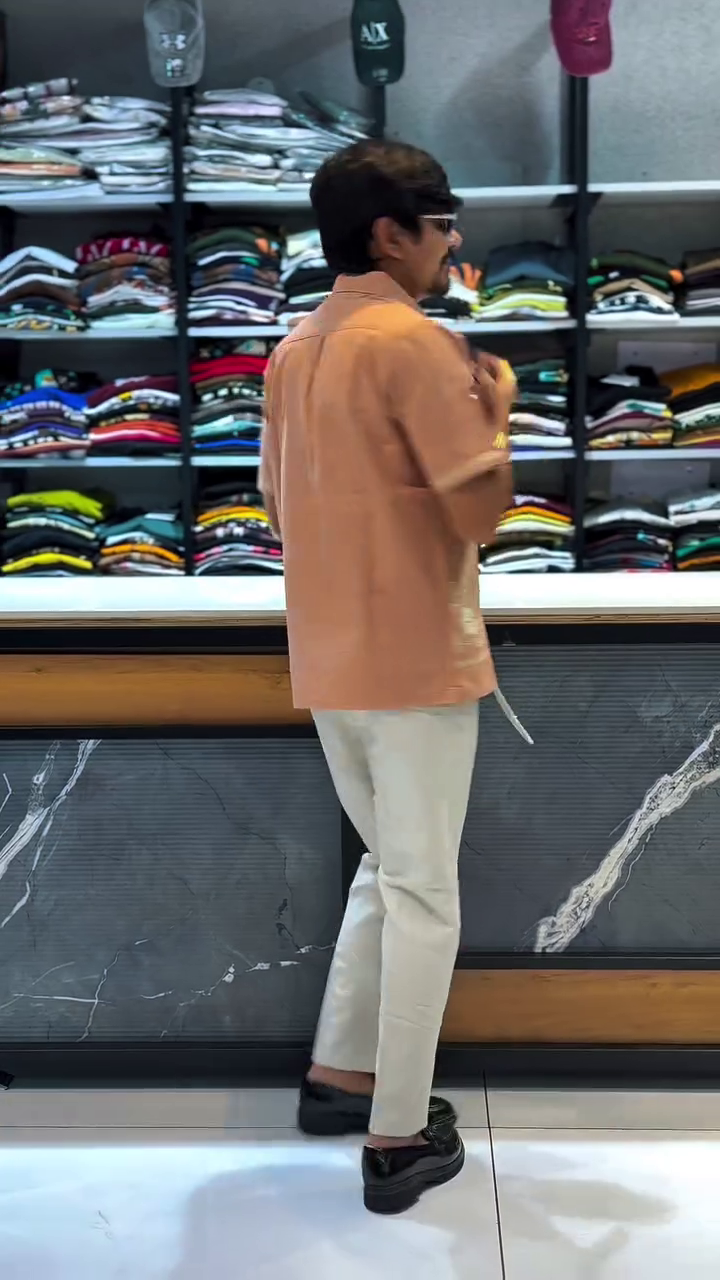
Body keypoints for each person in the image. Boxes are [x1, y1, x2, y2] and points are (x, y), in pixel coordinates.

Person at [260, 138, 514, 1215]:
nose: (453, 244)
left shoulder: (293, 350)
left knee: (389, 868)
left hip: (330, 653)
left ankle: (341, 1072)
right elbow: (481, 511)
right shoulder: (417, 344)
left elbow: (276, 507)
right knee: (423, 895)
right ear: (390, 233)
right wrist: (497, 407)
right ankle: (399, 1136)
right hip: (413, 656)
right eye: (441, 224)